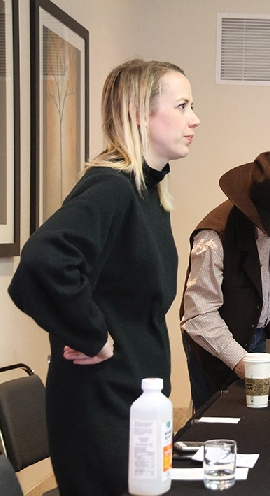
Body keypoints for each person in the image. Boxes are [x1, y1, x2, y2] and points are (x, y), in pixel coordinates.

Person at [7, 59, 200, 495]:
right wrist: (91, 333)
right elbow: (43, 259)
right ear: (138, 113)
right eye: (183, 105)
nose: (194, 119)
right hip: (100, 410)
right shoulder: (112, 186)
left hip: (135, 403)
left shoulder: (148, 192)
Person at [180, 151, 270, 410]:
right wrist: (238, 359)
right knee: (215, 415)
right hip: (214, 341)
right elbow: (198, 315)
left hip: (256, 334)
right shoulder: (213, 239)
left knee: (256, 416)